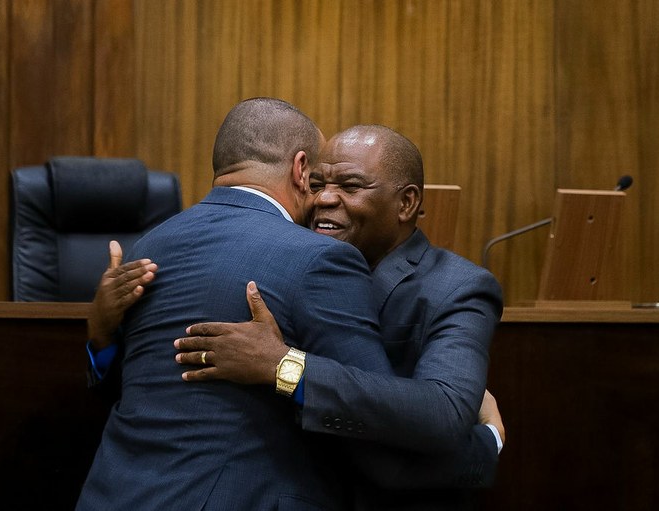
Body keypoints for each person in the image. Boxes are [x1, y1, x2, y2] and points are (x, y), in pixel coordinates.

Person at [91, 124, 505, 509]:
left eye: (350, 186)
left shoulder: (457, 287)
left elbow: (442, 414)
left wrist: (284, 367)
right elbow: (152, 388)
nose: (323, 198)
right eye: (318, 183)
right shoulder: (281, 261)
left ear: (407, 202)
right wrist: (101, 335)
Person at [76, 98, 395, 511]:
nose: (321, 198)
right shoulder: (320, 258)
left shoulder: (150, 247)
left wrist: (100, 336)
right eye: (317, 181)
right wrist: (285, 367)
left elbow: (133, 391)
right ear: (300, 170)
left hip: (114, 495)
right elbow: (376, 410)